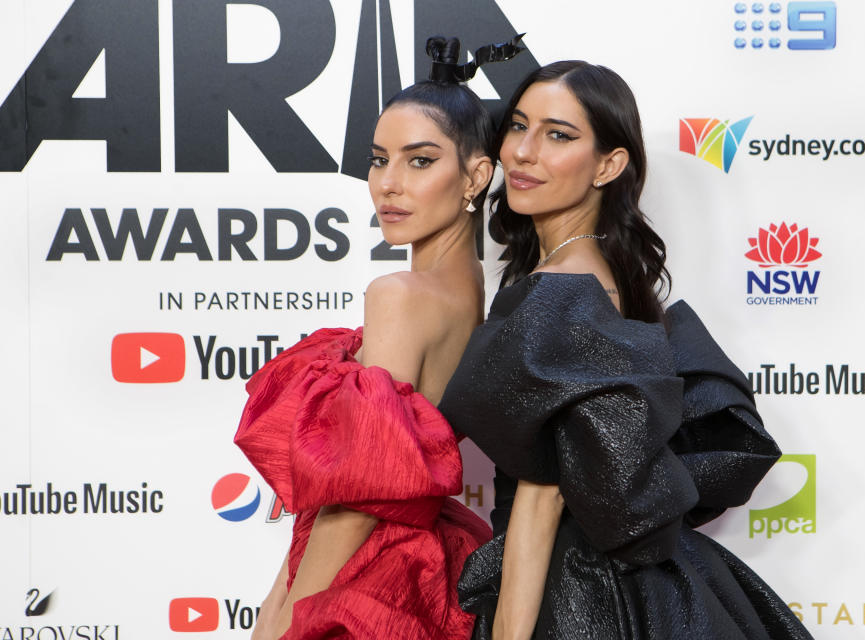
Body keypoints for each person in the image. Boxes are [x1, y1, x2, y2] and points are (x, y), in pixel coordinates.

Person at [439, 61, 814, 640]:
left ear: (609, 165)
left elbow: (543, 498)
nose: (523, 152)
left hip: (573, 591)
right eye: (518, 126)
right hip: (615, 584)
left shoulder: (564, 289)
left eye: (559, 135)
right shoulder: (590, 274)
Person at [234, 35, 524, 640]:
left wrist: (288, 621)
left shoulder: (399, 296)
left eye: (419, 161)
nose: (388, 184)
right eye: (378, 158)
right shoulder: (473, 295)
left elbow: (357, 497)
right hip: (424, 568)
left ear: (476, 175)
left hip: (364, 580)